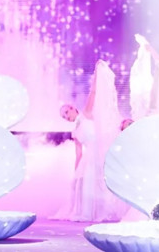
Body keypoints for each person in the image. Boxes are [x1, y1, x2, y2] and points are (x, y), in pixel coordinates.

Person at [57, 60, 125, 221]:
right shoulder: (75, 132)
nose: (66, 116)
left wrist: (96, 73)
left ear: (73, 108)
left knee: (103, 181)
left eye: (66, 112)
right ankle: (88, 212)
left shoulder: (86, 114)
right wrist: (75, 173)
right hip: (88, 160)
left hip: (101, 151)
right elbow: (78, 154)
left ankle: (106, 210)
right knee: (87, 184)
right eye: (64, 116)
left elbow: (93, 93)